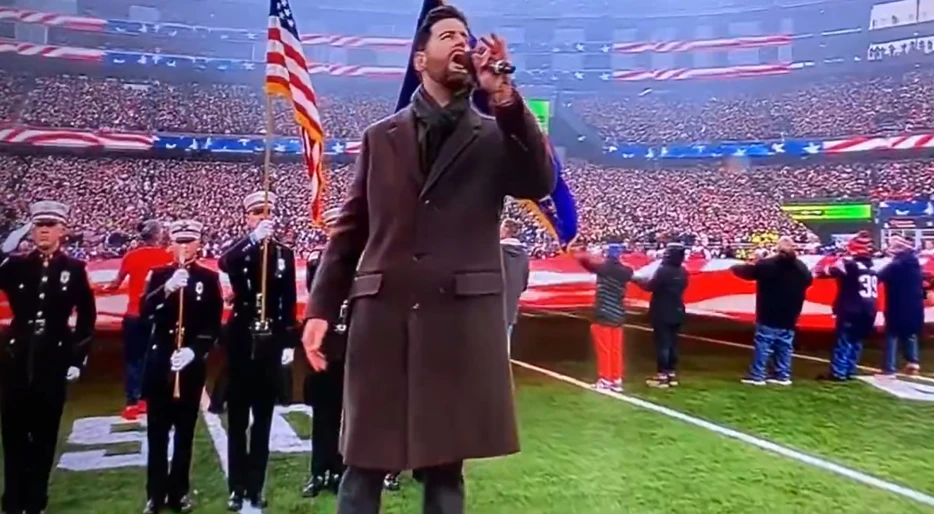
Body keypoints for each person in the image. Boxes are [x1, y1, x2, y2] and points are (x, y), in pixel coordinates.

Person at [301, 6, 556, 514]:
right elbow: (351, 230)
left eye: (465, 35)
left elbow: (538, 182)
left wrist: (503, 96)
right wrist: (320, 308)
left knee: (444, 471)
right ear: (421, 58)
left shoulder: (495, 132)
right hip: (384, 318)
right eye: (447, 35)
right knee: (363, 464)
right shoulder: (380, 137)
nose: (460, 42)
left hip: (455, 321)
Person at [0, 201, 96, 514]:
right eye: (38, 224)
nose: (43, 229)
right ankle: (13, 502)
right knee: (13, 434)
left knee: (44, 435)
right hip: (17, 353)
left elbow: (86, 315)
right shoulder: (15, 265)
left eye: (50, 224)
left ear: (62, 230)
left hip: (54, 354)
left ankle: (36, 501)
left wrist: (76, 358)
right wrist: (6, 246)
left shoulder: (74, 269)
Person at [218, 191, 297, 511]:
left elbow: (288, 300)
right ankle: (236, 487)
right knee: (237, 421)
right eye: (256, 213)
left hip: (270, 344)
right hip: (241, 341)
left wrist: (289, 342)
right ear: (247, 217)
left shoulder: (283, 253)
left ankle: (256, 486)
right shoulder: (241, 250)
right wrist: (252, 239)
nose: (263, 217)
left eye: (267, 211)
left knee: (263, 421)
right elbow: (226, 263)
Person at [141, 220, 222, 514]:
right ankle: (155, 494)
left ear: (199, 244)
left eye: (190, 241)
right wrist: (166, 289)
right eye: (179, 241)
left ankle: (180, 492)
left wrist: (195, 350)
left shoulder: (208, 279)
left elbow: (213, 324)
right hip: (161, 359)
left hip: (189, 363)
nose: (185, 246)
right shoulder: (159, 275)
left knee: (185, 434)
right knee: (157, 433)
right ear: (170, 244)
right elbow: (145, 310)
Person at [103, 220, 173, 421]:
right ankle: (148, 399)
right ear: (158, 236)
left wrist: (98, 290)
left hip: (134, 315)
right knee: (156, 358)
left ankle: (132, 403)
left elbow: (115, 284)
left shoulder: (131, 257)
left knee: (134, 360)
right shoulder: (167, 256)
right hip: (157, 315)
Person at [302, 208, 347, 499]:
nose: (334, 232)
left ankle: (342, 472)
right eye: (330, 227)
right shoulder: (317, 260)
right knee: (323, 414)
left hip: (353, 346)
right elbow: (316, 297)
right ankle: (319, 471)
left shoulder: (363, 258)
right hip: (325, 345)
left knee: (349, 417)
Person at [732, 236, 812, 386]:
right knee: (785, 345)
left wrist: (757, 261)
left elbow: (743, 271)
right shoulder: (801, 267)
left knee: (763, 344)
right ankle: (783, 375)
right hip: (791, 313)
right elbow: (809, 281)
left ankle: (758, 375)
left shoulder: (768, 265)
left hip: (769, 311)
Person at [814, 232, 878, 382]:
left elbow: (821, 272)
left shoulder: (848, 264)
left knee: (844, 340)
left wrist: (835, 258)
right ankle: (850, 369)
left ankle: (838, 372)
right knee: (856, 341)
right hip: (869, 309)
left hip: (851, 307)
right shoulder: (872, 266)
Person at [577, 247, 633, 393]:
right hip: (618, 314)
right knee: (616, 350)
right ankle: (616, 379)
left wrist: (581, 253)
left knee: (604, 349)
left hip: (603, 314)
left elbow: (585, 262)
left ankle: (605, 379)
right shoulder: (626, 271)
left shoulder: (602, 269)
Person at [633, 242, 688, 388]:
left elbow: (650, 286)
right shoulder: (683, 271)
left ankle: (662, 376)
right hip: (678, 309)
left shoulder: (663, 270)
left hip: (662, 311)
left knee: (663, 344)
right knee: (673, 344)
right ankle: (671, 374)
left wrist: (636, 281)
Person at [878, 234, 924, 376]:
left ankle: (889, 368)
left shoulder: (896, 265)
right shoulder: (915, 264)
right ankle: (913, 362)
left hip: (897, 304)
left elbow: (879, 276)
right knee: (910, 334)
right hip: (915, 305)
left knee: (892, 335)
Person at [500, 218, 529, 354]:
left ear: (506, 230)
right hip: (511, 304)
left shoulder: (496, 251)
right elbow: (524, 283)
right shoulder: (523, 255)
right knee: (505, 344)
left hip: (493, 304)